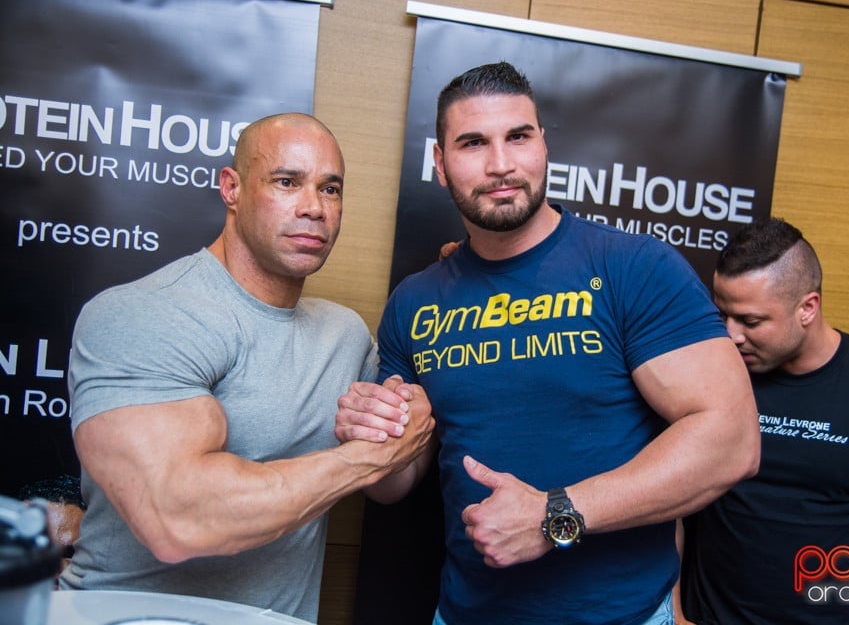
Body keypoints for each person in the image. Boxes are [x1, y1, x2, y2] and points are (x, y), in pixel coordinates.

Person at [336, 61, 760, 625]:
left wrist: (555, 514)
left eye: (518, 136)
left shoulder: (632, 267)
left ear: (543, 144)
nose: (501, 163)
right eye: (473, 143)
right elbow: (395, 486)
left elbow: (733, 441)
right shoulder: (414, 302)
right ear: (439, 164)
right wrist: (373, 437)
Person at [59, 112, 435, 622]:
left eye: (330, 189)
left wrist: (410, 425)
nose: (314, 208)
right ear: (231, 189)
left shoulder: (344, 335)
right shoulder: (143, 314)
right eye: (287, 182)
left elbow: (392, 482)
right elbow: (176, 521)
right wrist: (362, 461)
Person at [678, 217, 849, 624]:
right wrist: (676, 616)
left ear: (807, 308)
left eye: (751, 321)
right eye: (723, 314)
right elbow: (670, 506)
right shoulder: (704, 382)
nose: (731, 333)